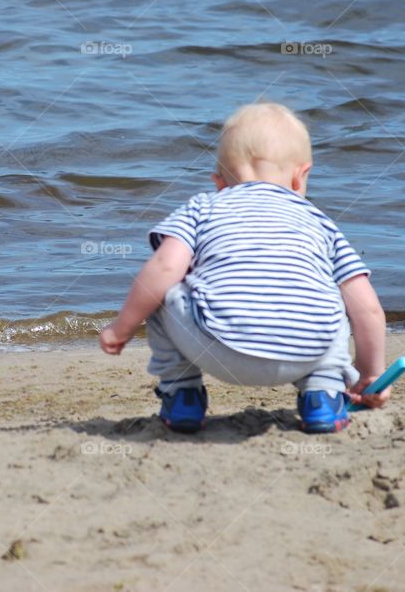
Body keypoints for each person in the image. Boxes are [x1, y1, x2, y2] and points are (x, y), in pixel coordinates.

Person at [99, 103, 389, 434]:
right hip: (305, 352)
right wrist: (370, 376)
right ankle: (323, 395)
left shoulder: (203, 206)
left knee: (165, 293)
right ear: (300, 175)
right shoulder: (319, 222)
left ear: (219, 183)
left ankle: (182, 396)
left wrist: (122, 327)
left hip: (217, 348)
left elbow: (163, 267)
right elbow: (367, 309)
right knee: (332, 294)